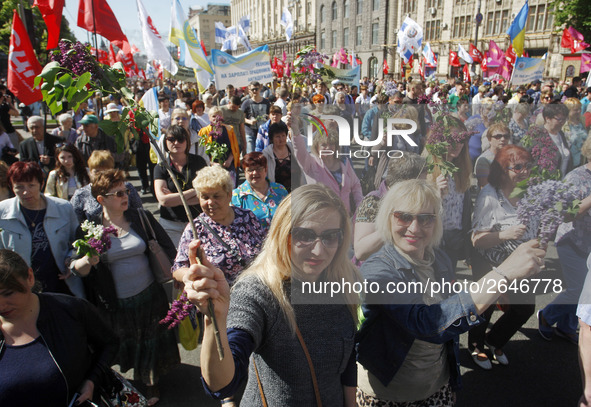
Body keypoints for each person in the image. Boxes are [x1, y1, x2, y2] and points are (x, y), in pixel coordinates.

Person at [356, 179, 546, 406]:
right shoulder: (376, 270)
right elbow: (428, 324)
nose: (415, 228)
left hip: (436, 386)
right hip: (389, 393)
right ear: (388, 218)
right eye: (404, 217)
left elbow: (449, 330)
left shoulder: (441, 261)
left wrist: (451, 382)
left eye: (426, 218)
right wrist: (502, 274)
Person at [184, 184, 361, 406]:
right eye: (304, 235)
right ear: (282, 232)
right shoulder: (258, 291)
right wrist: (214, 319)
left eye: (330, 236)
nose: (319, 250)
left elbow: (347, 359)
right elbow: (223, 385)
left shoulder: (343, 279)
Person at [71, 170, 180, 406]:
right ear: (101, 199)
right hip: (115, 303)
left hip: (150, 295)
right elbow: (78, 269)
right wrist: (88, 260)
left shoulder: (140, 217)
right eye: (118, 193)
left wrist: (179, 273)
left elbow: (167, 245)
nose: (125, 196)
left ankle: (151, 383)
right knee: (125, 343)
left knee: (151, 341)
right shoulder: (90, 230)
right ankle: (119, 384)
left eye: (126, 190)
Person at [0, 249, 119, 407]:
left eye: (8, 293)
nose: (1, 305)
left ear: (29, 277)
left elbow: (110, 343)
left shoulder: (69, 309)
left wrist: (92, 380)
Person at [469, 145, 537, 370]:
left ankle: (495, 340)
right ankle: (476, 346)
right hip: (489, 261)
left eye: (527, 166)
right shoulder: (489, 196)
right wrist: (504, 235)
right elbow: (477, 240)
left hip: (520, 264)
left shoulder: (529, 192)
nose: (525, 171)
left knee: (524, 308)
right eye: (517, 167)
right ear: (502, 171)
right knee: (484, 307)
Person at [172, 165, 265, 287]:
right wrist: (195, 276)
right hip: (221, 298)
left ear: (229, 195)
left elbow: (266, 248)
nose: (210, 202)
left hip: (256, 290)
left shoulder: (246, 217)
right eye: (205, 197)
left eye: (216, 196)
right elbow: (178, 268)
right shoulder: (195, 228)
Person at [0, 161, 82, 297]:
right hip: (22, 287)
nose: (26, 192)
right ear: (11, 187)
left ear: (41, 184)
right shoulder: (3, 212)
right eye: (19, 187)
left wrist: (71, 261)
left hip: (62, 282)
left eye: (31, 185)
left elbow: (77, 241)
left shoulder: (63, 208)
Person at [538, 136, 591, 345]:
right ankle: (546, 315)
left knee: (583, 287)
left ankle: (566, 326)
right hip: (571, 240)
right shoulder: (576, 177)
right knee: (578, 288)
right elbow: (566, 214)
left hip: (588, 243)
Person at [354, 153, 426, 263]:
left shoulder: (415, 201)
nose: (424, 187)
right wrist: (394, 223)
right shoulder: (374, 201)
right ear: (406, 182)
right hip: (376, 271)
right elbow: (361, 251)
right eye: (421, 182)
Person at [425, 115, 473, 271]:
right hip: (432, 241)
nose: (457, 144)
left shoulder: (460, 171)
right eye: (451, 139)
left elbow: (463, 210)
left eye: (461, 140)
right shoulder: (426, 170)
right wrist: (434, 192)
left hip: (454, 240)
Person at [291, 122, 363, 216]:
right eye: (324, 145)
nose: (328, 147)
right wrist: (296, 132)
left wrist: (360, 206)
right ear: (316, 147)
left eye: (332, 144)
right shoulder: (311, 163)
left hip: (345, 218)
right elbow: (300, 152)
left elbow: (356, 185)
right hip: (321, 219)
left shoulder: (344, 163)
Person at [154, 125, 207, 247]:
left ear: (187, 142)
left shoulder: (199, 162)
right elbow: (163, 200)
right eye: (171, 139)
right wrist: (194, 191)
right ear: (165, 141)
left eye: (180, 139)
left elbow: (205, 193)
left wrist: (174, 198)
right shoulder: (161, 167)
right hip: (171, 223)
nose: (176, 143)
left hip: (198, 221)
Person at [71, 150, 142, 223]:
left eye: (106, 171)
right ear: (90, 171)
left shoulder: (126, 187)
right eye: (97, 171)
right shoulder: (80, 194)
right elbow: (75, 221)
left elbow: (139, 212)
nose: (101, 175)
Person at [231, 152, 288, 232]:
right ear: (244, 172)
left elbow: (289, 217)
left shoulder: (280, 190)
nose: (254, 173)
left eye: (259, 169)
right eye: (250, 170)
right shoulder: (237, 196)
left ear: (266, 169)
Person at [198, 107, 241, 184]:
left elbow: (235, 148)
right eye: (214, 116)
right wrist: (212, 163)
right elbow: (201, 151)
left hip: (228, 164)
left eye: (219, 116)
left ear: (222, 117)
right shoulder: (204, 131)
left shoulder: (229, 129)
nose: (216, 118)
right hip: (211, 166)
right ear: (209, 118)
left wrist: (229, 160)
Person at [262, 121, 302, 192]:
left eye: (283, 135)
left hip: (297, 191)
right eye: (278, 137)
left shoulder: (294, 150)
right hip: (277, 193)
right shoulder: (266, 155)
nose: (281, 139)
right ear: (272, 138)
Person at [473, 122, 511, 187]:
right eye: (498, 136)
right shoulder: (484, 160)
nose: (503, 139)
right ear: (489, 139)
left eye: (506, 136)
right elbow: (484, 186)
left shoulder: (510, 157)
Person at [541, 103, 573, 177]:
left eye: (564, 119)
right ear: (547, 118)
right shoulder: (537, 135)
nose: (563, 122)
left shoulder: (560, 134)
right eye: (559, 119)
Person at [242, 81, 271, 154]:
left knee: (263, 154)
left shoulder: (266, 102)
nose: (255, 91)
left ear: (260, 89)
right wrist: (249, 121)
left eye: (256, 89)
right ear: (249, 90)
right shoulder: (246, 103)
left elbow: (269, 115)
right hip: (250, 132)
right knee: (251, 154)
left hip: (263, 132)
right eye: (253, 89)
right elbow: (241, 118)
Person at [563, 97, 588, 168]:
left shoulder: (582, 120)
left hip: (583, 160)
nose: (579, 111)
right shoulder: (563, 124)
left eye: (580, 109)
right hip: (569, 162)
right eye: (576, 110)